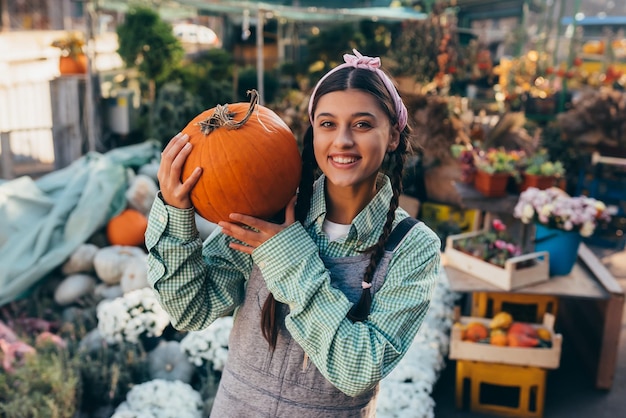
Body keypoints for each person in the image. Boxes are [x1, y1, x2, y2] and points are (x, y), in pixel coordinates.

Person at [146, 49, 441, 417]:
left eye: (363, 124)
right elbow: (190, 311)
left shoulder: (413, 247)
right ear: (313, 131)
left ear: (393, 136)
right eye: (328, 124)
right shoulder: (267, 209)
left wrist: (288, 255)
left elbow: (358, 370)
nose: (343, 140)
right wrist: (177, 214)